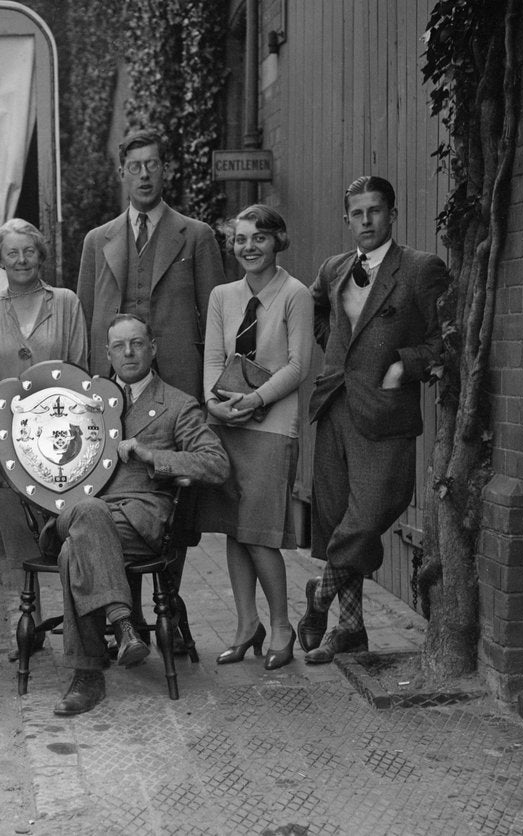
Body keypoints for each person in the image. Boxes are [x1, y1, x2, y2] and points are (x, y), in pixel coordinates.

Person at [43, 314, 230, 715]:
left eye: (137, 343)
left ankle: (88, 677)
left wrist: (151, 455)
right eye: (119, 346)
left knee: (73, 552)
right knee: (88, 511)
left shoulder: (177, 404)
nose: (128, 352)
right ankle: (123, 622)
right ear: (108, 353)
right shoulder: (83, 400)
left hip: (137, 521)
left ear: (152, 348)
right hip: (78, 512)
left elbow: (216, 464)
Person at [298, 176, 448, 664]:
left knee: (370, 515)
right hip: (335, 405)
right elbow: (317, 308)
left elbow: (445, 338)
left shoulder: (421, 269)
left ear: (393, 214)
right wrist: (338, 351)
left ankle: (320, 592)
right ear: (348, 219)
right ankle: (351, 629)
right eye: (357, 213)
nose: (366, 221)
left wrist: (403, 366)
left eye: (375, 211)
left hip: (385, 412)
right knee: (339, 516)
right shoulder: (334, 268)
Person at [76, 129, 227, 593]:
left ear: (166, 170)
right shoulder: (97, 240)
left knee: (176, 497)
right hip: (113, 391)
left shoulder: (196, 236)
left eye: (152, 165)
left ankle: (169, 599)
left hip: (175, 384)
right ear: (122, 173)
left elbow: (216, 322)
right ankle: (125, 604)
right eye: (135, 166)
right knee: (113, 489)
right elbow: (86, 319)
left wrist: (210, 390)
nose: (144, 174)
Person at [201, 205, 313, 671]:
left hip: (271, 426)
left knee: (261, 533)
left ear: (277, 241)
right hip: (227, 425)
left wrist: (255, 400)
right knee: (235, 528)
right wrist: (212, 404)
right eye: (241, 239)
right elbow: (212, 359)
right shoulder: (222, 296)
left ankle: (282, 627)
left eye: (259, 238)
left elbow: (298, 365)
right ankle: (247, 625)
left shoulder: (295, 294)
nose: (249, 247)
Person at [0, 218, 87, 598]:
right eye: (12, 253)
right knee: (17, 543)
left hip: (61, 444)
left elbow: (80, 371)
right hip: (3, 447)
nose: (21, 260)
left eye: (29, 251)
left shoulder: (66, 302)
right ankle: (25, 619)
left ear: (41, 255)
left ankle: (76, 618)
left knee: (69, 536)